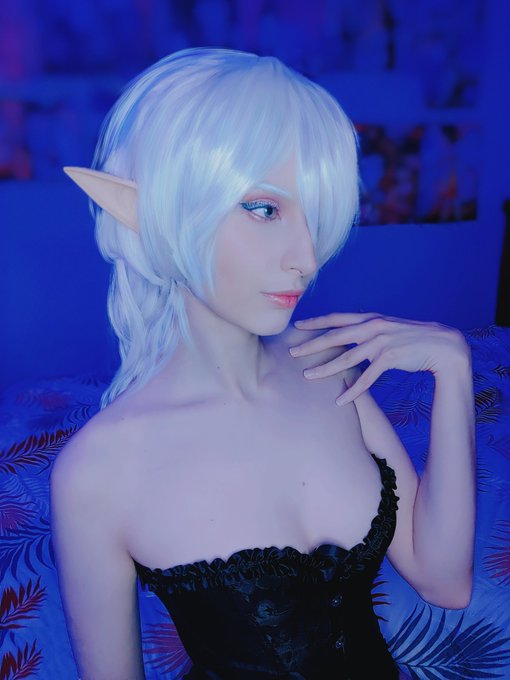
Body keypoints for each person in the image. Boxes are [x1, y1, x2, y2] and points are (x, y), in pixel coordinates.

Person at [50, 47, 476, 680]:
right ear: (165, 211)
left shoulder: (326, 365)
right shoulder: (97, 473)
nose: (306, 257)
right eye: (265, 209)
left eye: (313, 214)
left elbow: (446, 582)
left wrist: (454, 370)